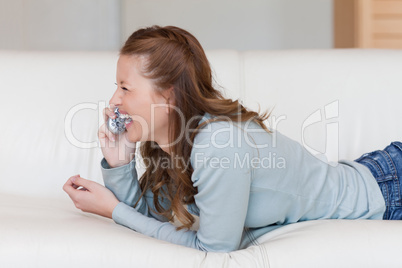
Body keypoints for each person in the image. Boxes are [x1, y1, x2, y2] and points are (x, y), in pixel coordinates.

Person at [63, 25, 402, 253]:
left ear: (167, 98)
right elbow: (151, 220)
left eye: (124, 87)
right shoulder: (175, 145)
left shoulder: (216, 143)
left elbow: (214, 249)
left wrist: (114, 211)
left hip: (389, 190)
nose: (113, 102)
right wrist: (120, 164)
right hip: (374, 172)